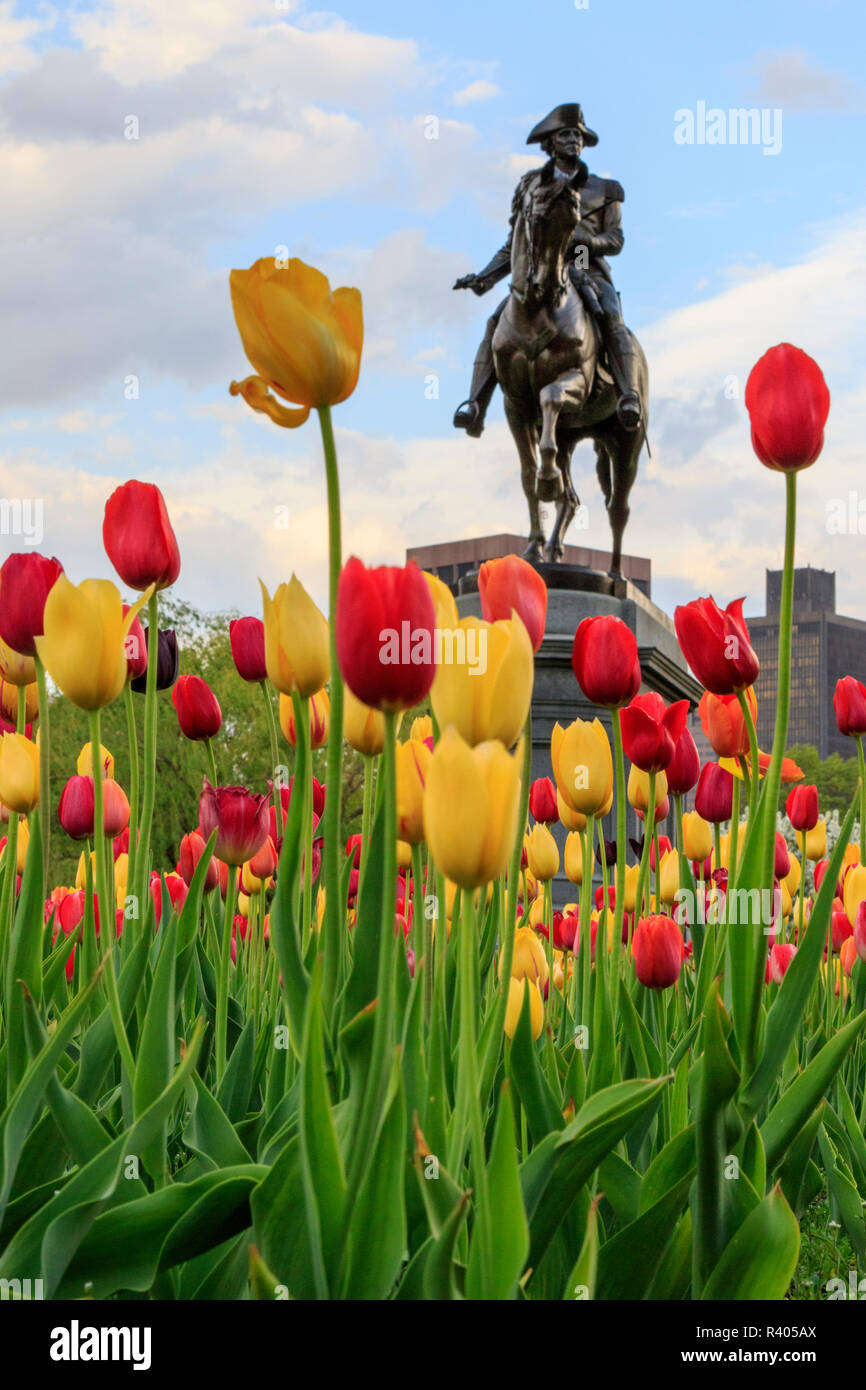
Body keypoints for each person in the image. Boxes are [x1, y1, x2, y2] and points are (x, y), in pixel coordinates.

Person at [453, 103, 642, 436]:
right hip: (537, 272)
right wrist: (485, 277)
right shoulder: (530, 186)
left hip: (586, 264)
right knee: (497, 321)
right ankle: (474, 404)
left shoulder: (605, 189)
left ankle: (628, 395)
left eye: (578, 135)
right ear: (550, 142)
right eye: (566, 134)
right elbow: (514, 242)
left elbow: (615, 239)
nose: (574, 140)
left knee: (610, 312)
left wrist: (584, 243)